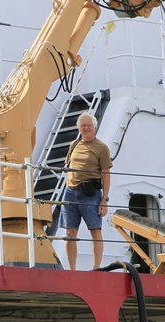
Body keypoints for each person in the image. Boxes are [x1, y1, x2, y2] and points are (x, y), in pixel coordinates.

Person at [60, 112, 112, 270]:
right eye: (83, 125)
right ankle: (72, 270)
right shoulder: (74, 145)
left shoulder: (102, 148)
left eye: (89, 125)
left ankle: (96, 267)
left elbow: (106, 175)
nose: (86, 128)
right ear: (79, 128)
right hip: (70, 192)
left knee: (95, 230)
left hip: (90, 194)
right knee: (70, 232)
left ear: (94, 127)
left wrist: (104, 199)